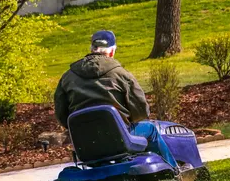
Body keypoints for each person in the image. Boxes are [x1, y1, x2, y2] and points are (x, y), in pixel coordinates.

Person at [54, 30, 177, 166]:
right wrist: (130, 120)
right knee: (151, 129)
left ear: (92, 49)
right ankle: (174, 170)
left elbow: (62, 115)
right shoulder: (121, 74)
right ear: (112, 52)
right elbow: (141, 111)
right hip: (119, 138)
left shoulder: (67, 77)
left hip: (85, 142)